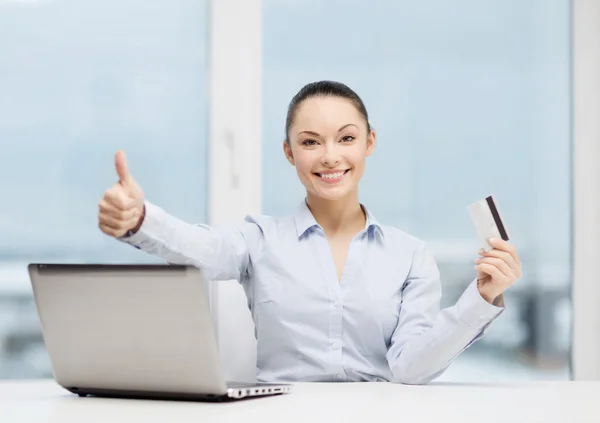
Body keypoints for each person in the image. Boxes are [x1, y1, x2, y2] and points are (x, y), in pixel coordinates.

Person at [97, 80, 522, 384]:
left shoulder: (409, 255)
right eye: (311, 142)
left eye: (346, 138)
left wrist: (481, 298)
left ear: (369, 143)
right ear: (289, 152)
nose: (330, 157)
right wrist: (140, 218)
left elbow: (410, 368)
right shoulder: (259, 239)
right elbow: (203, 248)